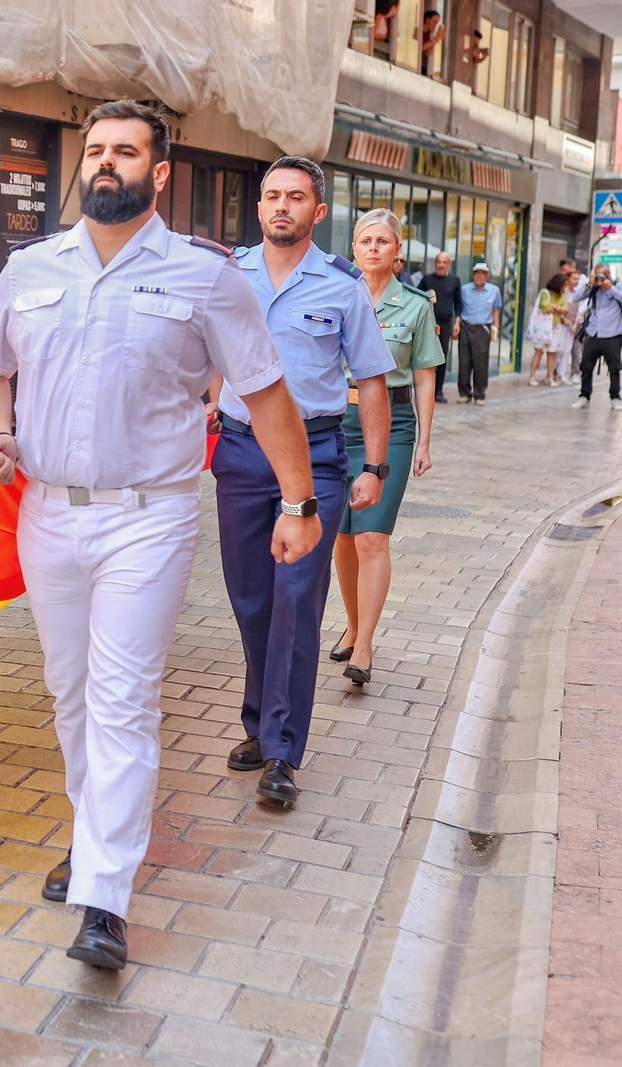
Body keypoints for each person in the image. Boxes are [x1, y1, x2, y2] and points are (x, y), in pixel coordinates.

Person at [0, 102, 317, 970]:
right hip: (48, 511)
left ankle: (105, 897)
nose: (107, 163)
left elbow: (266, 393)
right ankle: (95, 840)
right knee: (72, 693)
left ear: (159, 173)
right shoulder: (32, 266)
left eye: (126, 151)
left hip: (149, 518)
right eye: (95, 151)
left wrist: (299, 504)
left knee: (123, 700)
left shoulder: (206, 276)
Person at [208, 155, 395, 810]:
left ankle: (283, 750)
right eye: (271, 196)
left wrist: (373, 467)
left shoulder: (343, 287)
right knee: (251, 596)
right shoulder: (228, 276)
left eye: (295, 197)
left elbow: (370, 379)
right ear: (259, 209)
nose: (281, 206)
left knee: (296, 597)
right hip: (239, 453)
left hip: (316, 457)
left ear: (318, 212)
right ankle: (260, 721)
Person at [330, 209, 442, 687]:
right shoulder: (333, 295)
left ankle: (367, 644)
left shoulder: (416, 305)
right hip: (335, 423)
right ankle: (352, 624)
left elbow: (424, 376)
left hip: (390, 427)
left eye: (382, 241)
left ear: (398, 252)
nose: (373, 248)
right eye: (364, 241)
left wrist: (424, 440)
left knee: (371, 535)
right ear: (353, 248)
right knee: (342, 534)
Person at [571, 265, 622, 412]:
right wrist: (589, 284)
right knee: (586, 365)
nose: (600, 278)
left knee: (614, 367)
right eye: (597, 275)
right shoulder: (593, 287)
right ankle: (584, 396)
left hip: (612, 333)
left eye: (602, 275)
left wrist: (610, 287)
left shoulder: (617, 285)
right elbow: (575, 297)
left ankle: (615, 397)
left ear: (608, 273)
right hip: (593, 333)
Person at [417, 251, 461, 404]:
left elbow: (459, 303)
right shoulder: (427, 279)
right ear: (436, 263)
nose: (441, 265)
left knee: (442, 359)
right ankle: (425, 391)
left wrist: (457, 323)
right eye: (439, 262)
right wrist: (426, 295)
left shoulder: (455, 281)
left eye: (445, 262)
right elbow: (416, 295)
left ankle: (438, 391)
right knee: (426, 359)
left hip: (446, 325)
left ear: (449, 264)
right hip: (428, 324)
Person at [457, 262, 500, 405]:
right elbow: (459, 309)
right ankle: (464, 393)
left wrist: (497, 327)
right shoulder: (465, 289)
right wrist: (457, 325)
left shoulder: (494, 290)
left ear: (487, 276)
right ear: (473, 275)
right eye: (476, 273)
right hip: (466, 327)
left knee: (480, 363)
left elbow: (495, 310)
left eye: (482, 273)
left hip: (483, 329)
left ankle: (479, 394)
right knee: (464, 362)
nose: (479, 276)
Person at [525, 274, 568, 387]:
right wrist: (559, 308)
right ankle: (532, 376)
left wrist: (556, 308)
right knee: (539, 352)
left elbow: (566, 309)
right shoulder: (545, 293)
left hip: (555, 327)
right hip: (543, 327)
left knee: (552, 353)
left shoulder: (563, 295)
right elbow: (545, 307)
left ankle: (550, 377)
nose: (565, 287)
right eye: (564, 284)